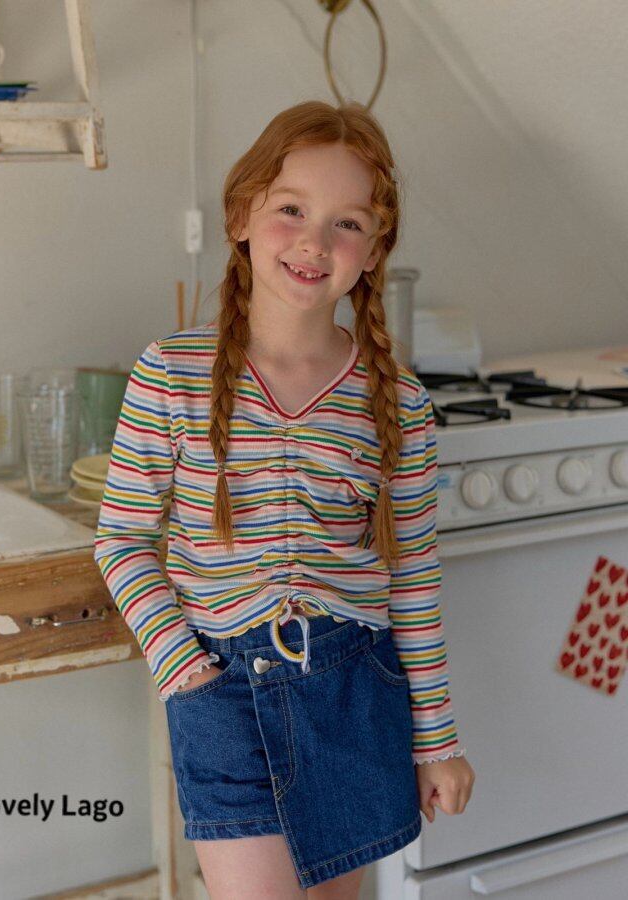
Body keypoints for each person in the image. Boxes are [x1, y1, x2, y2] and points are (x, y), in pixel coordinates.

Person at [94, 99, 475, 898]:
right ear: (241, 217)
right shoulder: (170, 372)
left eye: (347, 223)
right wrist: (185, 671)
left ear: (375, 249)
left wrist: (437, 740)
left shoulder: (400, 403)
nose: (314, 242)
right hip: (222, 692)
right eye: (291, 210)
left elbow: (411, 579)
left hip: (354, 692)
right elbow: (121, 539)